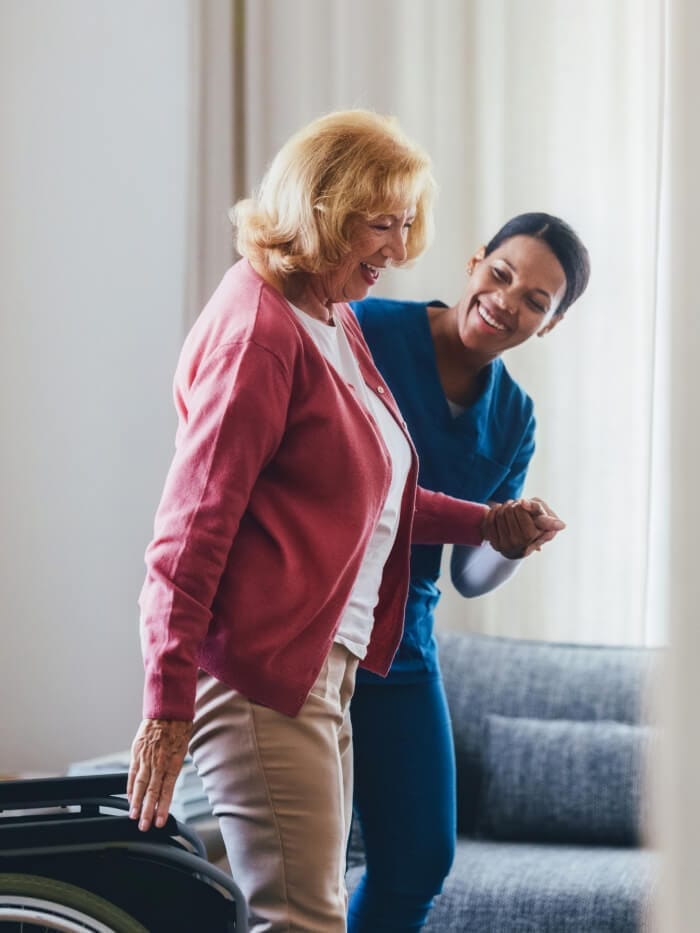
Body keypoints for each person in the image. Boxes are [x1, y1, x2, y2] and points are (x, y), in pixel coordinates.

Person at [126, 111, 563, 933]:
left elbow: (379, 501)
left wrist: (493, 525)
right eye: (382, 224)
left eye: (406, 225)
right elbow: (190, 531)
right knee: (302, 920)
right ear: (324, 204)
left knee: (311, 911)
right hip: (266, 671)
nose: (398, 250)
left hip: (330, 662)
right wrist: (166, 702)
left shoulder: (328, 319)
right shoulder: (262, 328)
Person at [348, 211, 591, 932]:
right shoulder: (362, 329)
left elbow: (468, 577)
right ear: (474, 262)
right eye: (502, 274)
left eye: (536, 301)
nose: (507, 301)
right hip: (314, 615)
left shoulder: (514, 417)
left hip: (403, 646)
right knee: (302, 859)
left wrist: (509, 542)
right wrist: (484, 519)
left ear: (547, 325)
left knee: (420, 859)